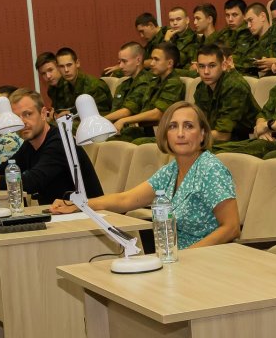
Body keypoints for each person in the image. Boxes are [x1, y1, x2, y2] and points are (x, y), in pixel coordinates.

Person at [50, 102, 239, 251]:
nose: (180, 133)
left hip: (208, 260)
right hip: (175, 259)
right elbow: (125, 199)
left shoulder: (211, 169)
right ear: (165, 134)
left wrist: (188, 256)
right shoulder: (171, 170)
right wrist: (78, 205)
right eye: (173, 126)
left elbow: (230, 228)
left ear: (202, 134)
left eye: (188, 126)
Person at [0, 89, 101, 204]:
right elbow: (6, 168)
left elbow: (31, 182)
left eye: (28, 114)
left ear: (43, 114)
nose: (22, 122)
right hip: (58, 213)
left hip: (84, 216)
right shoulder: (30, 144)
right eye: (16, 117)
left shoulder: (59, 142)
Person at [113, 41, 184, 141]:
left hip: (164, 133)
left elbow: (158, 114)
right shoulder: (155, 81)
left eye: (156, 60)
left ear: (170, 63)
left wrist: (124, 120)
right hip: (146, 129)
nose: (151, 63)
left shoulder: (174, 83)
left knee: (126, 142)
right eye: (152, 59)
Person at [192, 43, 258, 146]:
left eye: (212, 66)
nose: (206, 71)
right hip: (213, 139)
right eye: (201, 66)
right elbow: (198, 121)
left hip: (242, 141)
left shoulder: (234, 86)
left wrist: (190, 136)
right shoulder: (202, 87)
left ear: (223, 66)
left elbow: (223, 135)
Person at [54, 48, 111, 115]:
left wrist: (71, 114)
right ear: (57, 68)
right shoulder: (63, 84)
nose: (66, 70)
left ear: (77, 63)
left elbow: (102, 115)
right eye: (61, 66)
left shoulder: (94, 86)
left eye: (69, 65)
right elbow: (61, 109)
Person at [105, 41, 153, 120]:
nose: (120, 66)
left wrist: (100, 121)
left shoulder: (146, 82)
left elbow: (127, 111)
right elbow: (115, 110)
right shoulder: (124, 84)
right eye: (120, 62)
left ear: (138, 60)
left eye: (124, 61)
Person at [245, 3, 276, 74]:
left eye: (251, 20)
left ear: (262, 16)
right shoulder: (250, 40)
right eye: (247, 22)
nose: (248, 26)